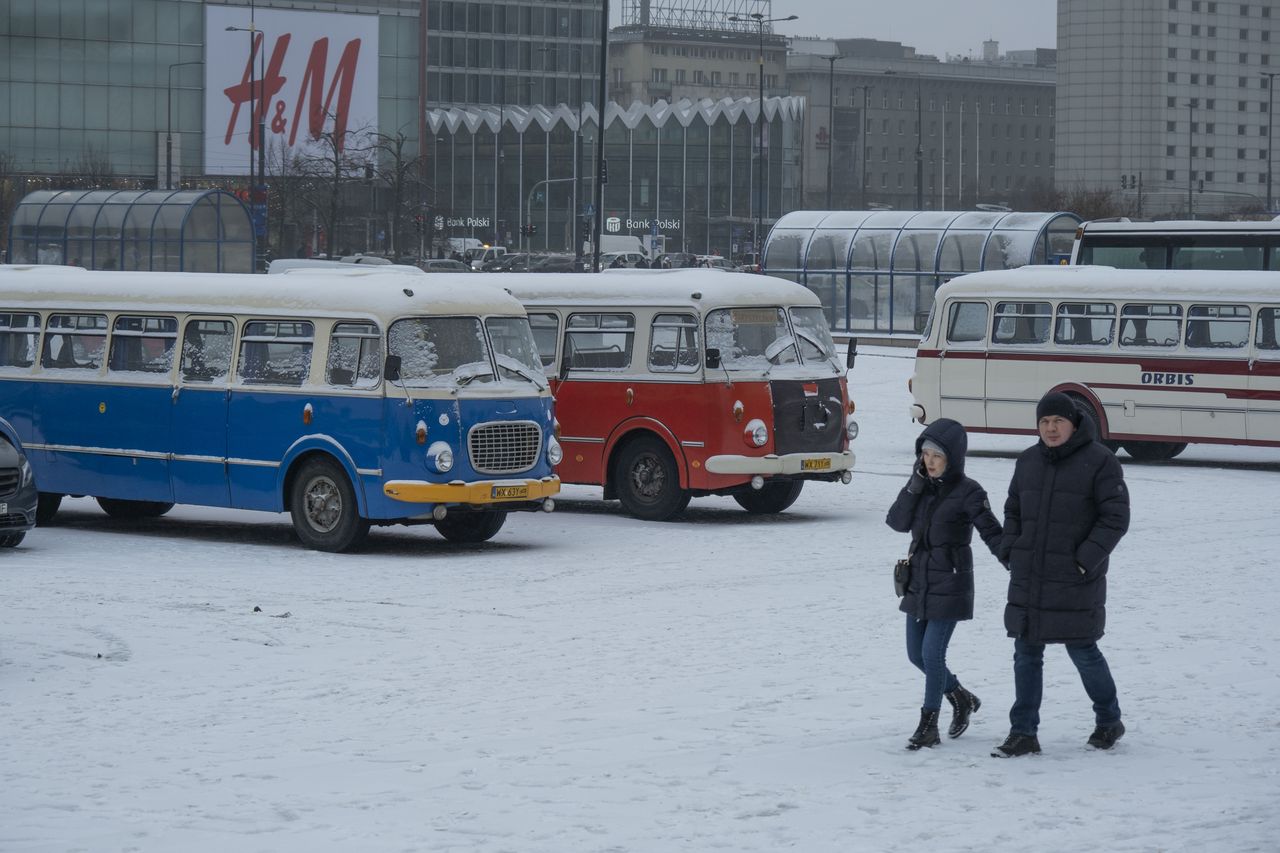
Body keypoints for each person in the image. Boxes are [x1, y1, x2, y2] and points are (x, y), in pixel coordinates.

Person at [992, 392, 1130, 758]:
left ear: (1074, 423)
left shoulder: (1100, 462)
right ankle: (1023, 732)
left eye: (1058, 421)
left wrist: (1084, 560)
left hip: (1075, 579)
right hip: (1030, 576)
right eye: (1044, 422)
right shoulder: (1027, 461)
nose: (1051, 429)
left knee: (1083, 651)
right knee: (1026, 653)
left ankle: (1108, 720)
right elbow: (1013, 509)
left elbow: (1115, 518)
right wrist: (1011, 548)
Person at [886, 418, 1003, 750]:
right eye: (925, 454)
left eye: (937, 455)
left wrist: (1016, 562)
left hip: (951, 582)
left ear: (953, 457)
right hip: (919, 579)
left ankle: (928, 725)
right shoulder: (921, 486)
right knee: (916, 655)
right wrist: (913, 485)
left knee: (931, 654)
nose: (930, 461)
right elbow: (896, 522)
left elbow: (993, 533)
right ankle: (960, 696)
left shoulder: (970, 492)